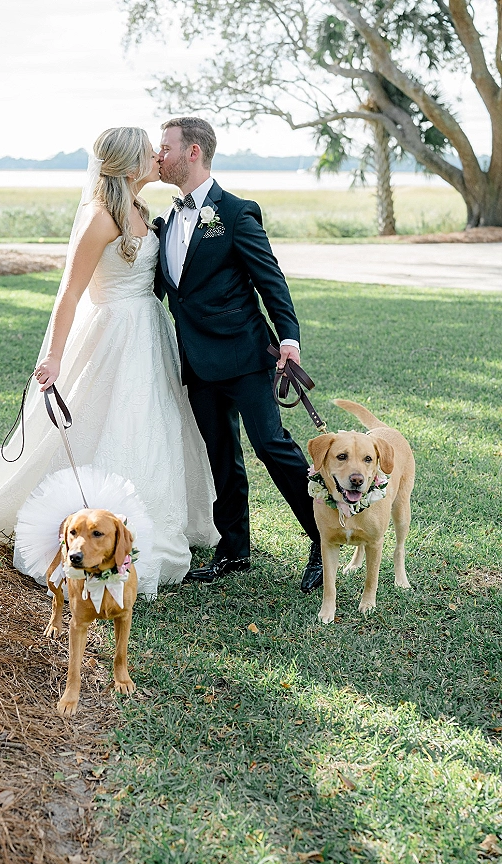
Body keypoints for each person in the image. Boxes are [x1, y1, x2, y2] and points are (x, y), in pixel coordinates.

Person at [0, 126, 217, 597]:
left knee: (151, 426)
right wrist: (54, 357)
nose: (157, 159)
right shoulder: (99, 217)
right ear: (127, 165)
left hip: (148, 332)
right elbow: (70, 292)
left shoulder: (140, 210)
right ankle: (97, 532)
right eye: (149, 153)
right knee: (113, 423)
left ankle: (147, 521)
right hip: (112, 335)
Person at [154, 117, 323, 591]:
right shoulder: (165, 222)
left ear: (192, 152)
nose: (158, 155)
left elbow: (270, 279)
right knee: (220, 453)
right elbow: (172, 292)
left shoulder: (237, 212)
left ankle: (320, 534)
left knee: (271, 445)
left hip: (247, 354)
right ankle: (233, 549)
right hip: (197, 362)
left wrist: (288, 338)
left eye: (165, 147)